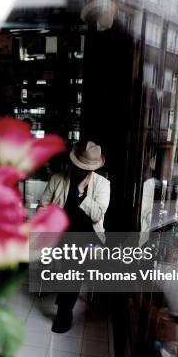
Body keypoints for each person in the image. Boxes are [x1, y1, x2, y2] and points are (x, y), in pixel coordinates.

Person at [39, 141, 111, 333]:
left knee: (74, 261)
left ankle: (64, 311)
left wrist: (81, 193)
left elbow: (97, 215)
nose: (81, 170)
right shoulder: (58, 179)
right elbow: (42, 206)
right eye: (79, 165)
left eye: (86, 167)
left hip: (89, 238)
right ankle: (65, 309)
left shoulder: (103, 185)